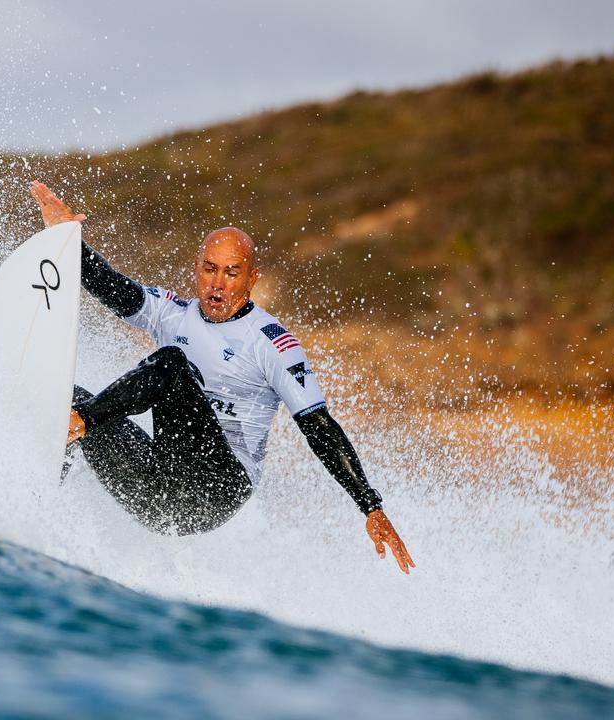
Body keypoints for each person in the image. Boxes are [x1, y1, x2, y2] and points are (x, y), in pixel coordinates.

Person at [31, 180, 415, 574]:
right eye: (210, 270)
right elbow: (116, 289)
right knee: (68, 396)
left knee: (170, 365)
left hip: (215, 490)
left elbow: (319, 427)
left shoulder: (273, 344)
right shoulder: (173, 313)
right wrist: (67, 241)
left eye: (232, 273)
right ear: (196, 269)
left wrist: (370, 505)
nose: (217, 284)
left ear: (252, 279)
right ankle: (36, 510)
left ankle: (79, 421)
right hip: (154, 489)